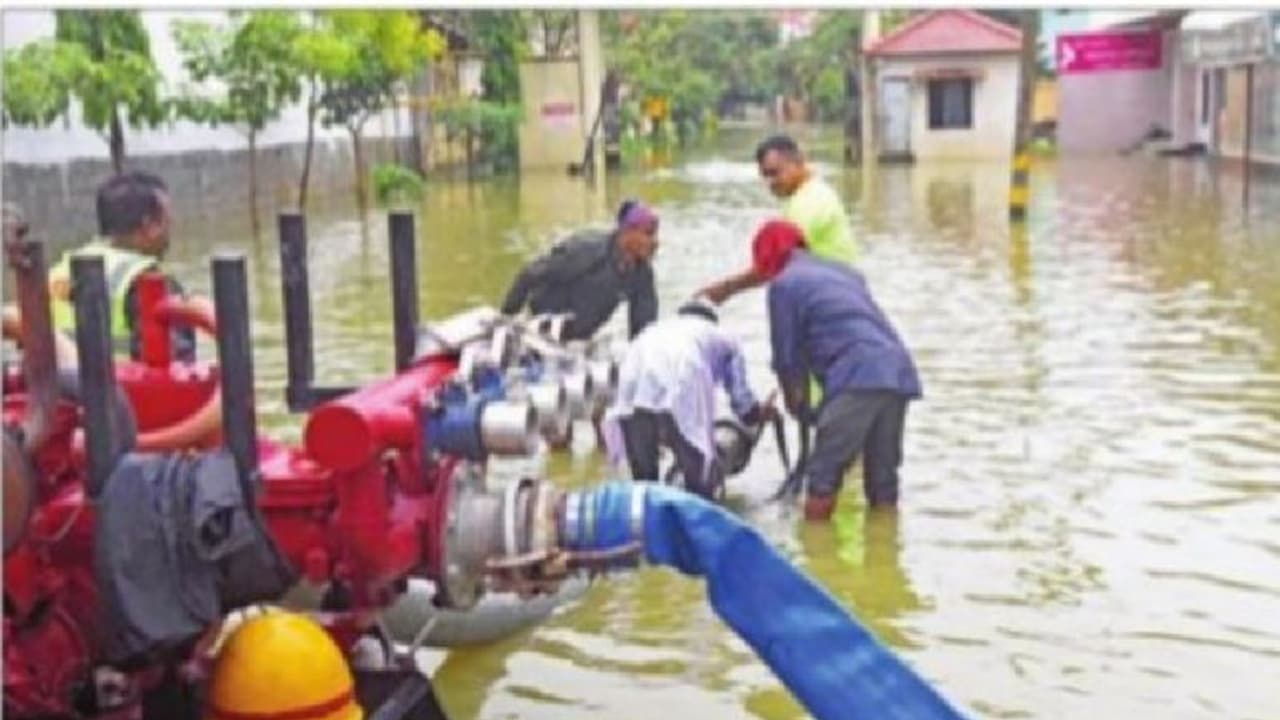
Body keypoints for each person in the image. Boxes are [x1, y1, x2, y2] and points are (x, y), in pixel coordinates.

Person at [754, 219, 921, 521]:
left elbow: (786, 357)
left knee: (822, 476)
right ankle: (884, 556)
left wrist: (795, 404)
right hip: (897, 369)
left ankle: (813, 559)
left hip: (856, 376)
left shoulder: (784, 285)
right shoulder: (847, 273)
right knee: (883, 481)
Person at [602, 297, 771, 500]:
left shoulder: (654, 330)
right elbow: (743, 405)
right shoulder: (723, 337)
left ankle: (649, 528)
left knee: (644, 490)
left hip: (630, 391)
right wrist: (760, 414)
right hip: (682, 382)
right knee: (698, 486)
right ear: (710, 320)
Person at [47, 171, 199, 361]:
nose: (169, 233)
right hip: (123, 389)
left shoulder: (58, 271)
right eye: (167, 222)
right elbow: (175, 366)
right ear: (149, 225)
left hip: (57, 387)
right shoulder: (147, 279)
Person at [700, 134, 859, 305]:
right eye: (765, 176)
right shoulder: (810, 192)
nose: (770, 182)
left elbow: (772, 263)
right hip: (835, 289)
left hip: (830, 294)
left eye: (775, 173)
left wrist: (725, 289)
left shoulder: (810, 201)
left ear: (798, 163)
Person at [501, 199, 659, 341]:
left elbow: (643, 331)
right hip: (540, 330)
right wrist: (506, 319)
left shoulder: (642, 275)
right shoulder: (586, 250)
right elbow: (530, 274)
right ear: (626, 232)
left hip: (579, 341)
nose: (655, 242)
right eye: (648, 234)